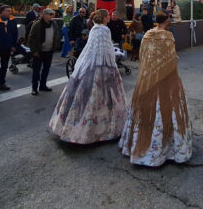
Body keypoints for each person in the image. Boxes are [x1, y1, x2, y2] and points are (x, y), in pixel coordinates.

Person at [119, 11, 192, 166]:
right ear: (166, 20)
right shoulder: (168, 36)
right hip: (166, 78)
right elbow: (172, 58)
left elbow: (143, 55)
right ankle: (164, 147)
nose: (171, 20)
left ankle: (141, 143)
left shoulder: (147, 35)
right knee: (166, 109)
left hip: (148, 77)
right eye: (169, 18)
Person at [48, 9, 126, 143]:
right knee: (104, 97)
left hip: (89, 64)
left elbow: (91, 49)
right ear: (104, 17)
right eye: (108, 16)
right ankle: (101, 129)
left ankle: (72, 125)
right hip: (103, 65)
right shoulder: (104, 30)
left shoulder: (95, 28)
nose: (109, 18)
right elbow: (107, 49)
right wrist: (112, 64)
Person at [27, 8, 61, 96]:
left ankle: (42, 85)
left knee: (46, 69)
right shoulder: (37, 24)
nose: (52, 16)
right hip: (39, 51)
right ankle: (34, 88)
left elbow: (57, 35)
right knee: (36, 71)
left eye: (52, 14)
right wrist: (34, 51)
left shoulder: (54, 24)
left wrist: (55, 46)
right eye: (50, 14)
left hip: (49, 51)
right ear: (44, 15)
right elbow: (31, 38)